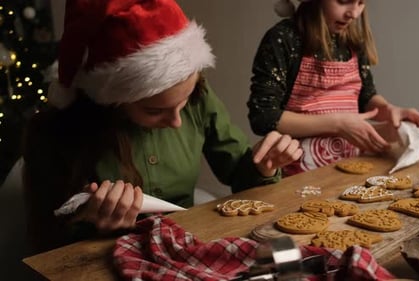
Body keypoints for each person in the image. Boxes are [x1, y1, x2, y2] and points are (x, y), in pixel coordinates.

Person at [21, 0, 302, 254]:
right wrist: (98, 227)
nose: (177, 122)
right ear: (113, 102)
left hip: (187, 249)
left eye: (185, 101)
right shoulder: (57, 133)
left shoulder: (199, 97)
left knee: (290, 261)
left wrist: (264, 167)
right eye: (155, 111)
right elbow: (48, 242)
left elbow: (241, 176)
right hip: (106, 262)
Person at [247, 0, 419, 176]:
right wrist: (338, 124)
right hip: (296, 173)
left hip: (345, 168)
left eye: (360, 2)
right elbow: (264, 117)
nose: (354, 13)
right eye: (343, 1)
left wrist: (389, 110)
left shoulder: (353, 41)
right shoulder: (285, 38)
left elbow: (365, 97)